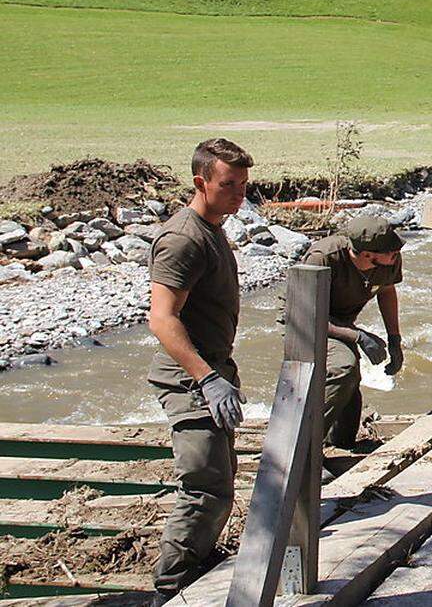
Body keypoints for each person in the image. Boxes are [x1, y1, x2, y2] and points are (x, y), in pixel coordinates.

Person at [146, 138, 253, 604]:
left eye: (245, 185)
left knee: (221, 477)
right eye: (229, 185)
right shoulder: (184, 238)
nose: (239, 195)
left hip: (211, 371)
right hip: (188, 378)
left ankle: (196, 564)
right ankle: (170, 587)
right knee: (204, 486)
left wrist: (220, 373)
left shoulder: (213, 226)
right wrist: (207, 379)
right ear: (201, 182)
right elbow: (161, 317)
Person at [300, 215, 405, 456]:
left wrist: (395, 341)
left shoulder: (388, 261)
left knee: (350, 381)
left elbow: (387, 291)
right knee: (343, 368)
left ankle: (339, 444)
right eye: (391, 252)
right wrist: (358, 336)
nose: (396, 254)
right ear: (367, 254)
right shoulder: (323, 258)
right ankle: (304, 452)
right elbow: (308, 315)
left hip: (342, 320)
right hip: (305, 320)